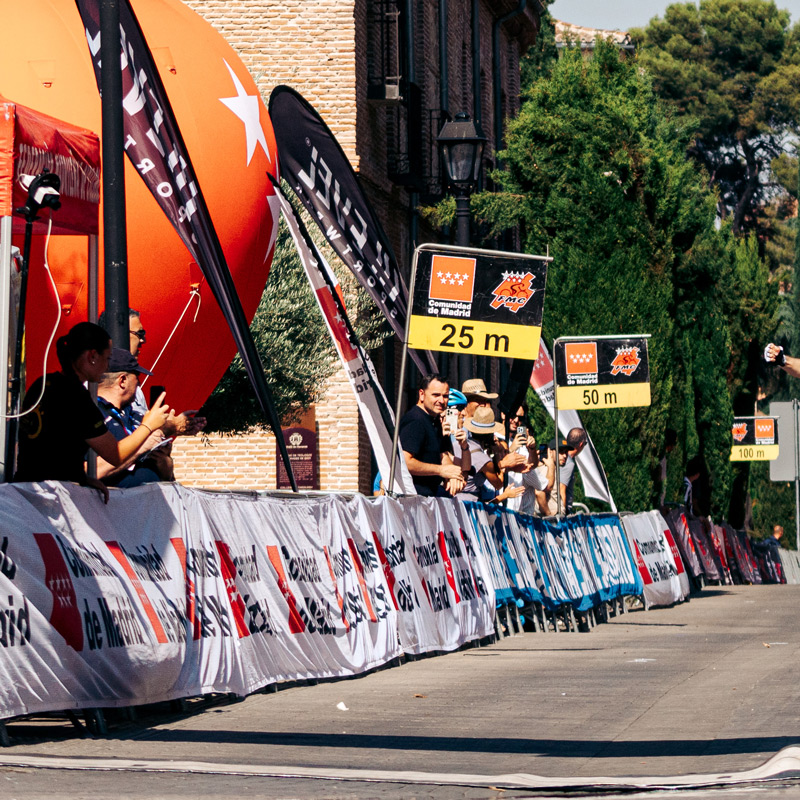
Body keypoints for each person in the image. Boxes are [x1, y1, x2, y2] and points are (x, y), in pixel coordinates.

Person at [14, 322, 170, 502]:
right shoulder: (76, 397)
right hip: (52, 499)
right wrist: (148, 426)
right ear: (93, 356)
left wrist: (81, 478)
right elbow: (115, 455)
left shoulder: (43, 384)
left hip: (25, 490)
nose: (106, 367)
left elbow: (49, 448)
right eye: (107, 358)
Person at [98, 307, 206, 437]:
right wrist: (168, 428)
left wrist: (168, 431)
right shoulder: (92, 386)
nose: (143, 340)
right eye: (140, 334)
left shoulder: (135, 390)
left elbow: (138, 435)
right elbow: (118, 450)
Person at [95, 348, 174, 488]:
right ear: (123, 381)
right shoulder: (94, 414)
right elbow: (94, 471)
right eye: (137, 376)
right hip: (114, 507)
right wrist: (144, 443)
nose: (138, 384)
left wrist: (164, 466)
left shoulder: (130, 413)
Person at [399, 374, 469, 497]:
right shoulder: (416, 420)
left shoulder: (435, 420)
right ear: (422, 394)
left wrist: (452, 475)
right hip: (412, 498)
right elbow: (405, 462)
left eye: (445, 396)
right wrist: (441, 470)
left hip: (429, 498)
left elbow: (443, 455)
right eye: (436, 395)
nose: (441, 401)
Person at [456, 407, 526, 506]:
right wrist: (499, 457)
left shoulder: (457, 445)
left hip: (450, 501)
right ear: (489, 434)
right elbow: (498, 484)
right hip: (468, 505)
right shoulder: (483, 459)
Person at [524, 438, 570, 516]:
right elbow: (539, 493)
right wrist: (548, 514)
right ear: (550, 452)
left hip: (555, 518)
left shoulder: (552, 468)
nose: (565, 456)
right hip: (549, 521)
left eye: (566, 452)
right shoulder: (546, 468)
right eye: (561, 452)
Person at [558, 427, 588, 513]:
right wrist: (563, 514)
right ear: (581, 444)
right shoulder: (568, 462)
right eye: (585, 443)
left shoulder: (560, 456)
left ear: (566, 439)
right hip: (562, 511)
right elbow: (561, 488)